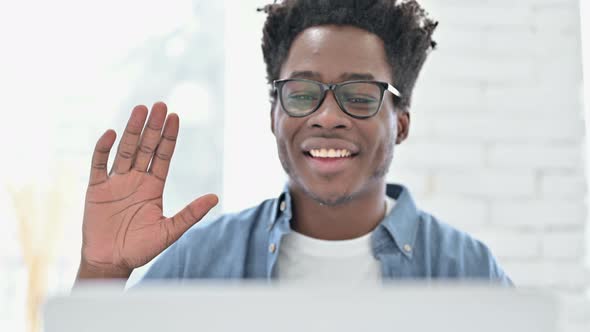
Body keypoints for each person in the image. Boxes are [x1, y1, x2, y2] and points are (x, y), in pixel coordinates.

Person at [76, 0, 512, 284]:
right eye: (302, 94)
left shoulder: (468, 271)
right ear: (274, 116)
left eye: (359, 96)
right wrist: (101, 272)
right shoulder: (201, 262)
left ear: (400, 123)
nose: (327, 117)